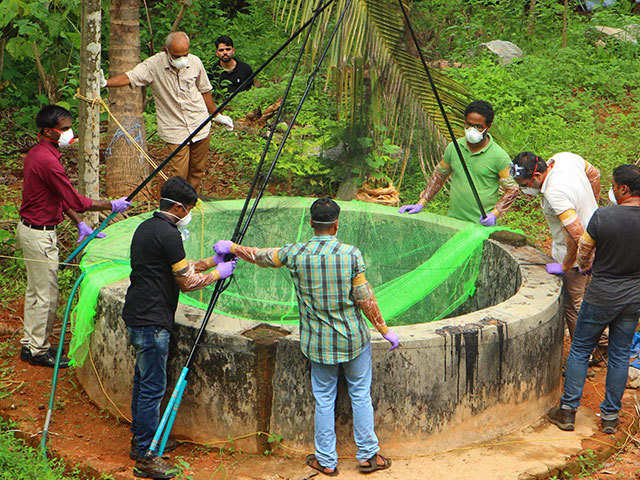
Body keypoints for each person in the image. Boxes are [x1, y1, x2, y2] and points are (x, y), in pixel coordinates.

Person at [214, 198, 399, 476]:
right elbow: (364, 297)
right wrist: (385, 330)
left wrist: (233, 248)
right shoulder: (351, 254)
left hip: (318, 343)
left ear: (311, 223)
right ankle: (368, 457)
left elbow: (262, 256)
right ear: (336, 225)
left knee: (324, 399)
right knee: (360, 394)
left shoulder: (296, 253)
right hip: (353, 339)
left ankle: (326, 461)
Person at [122, 177, 236, 479]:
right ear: (178, 206)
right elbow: (186, 283)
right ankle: (147, 455)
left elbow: (176, 268)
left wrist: (211, 261)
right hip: (153, 320)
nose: (188, 214)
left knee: (143, 379)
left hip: (136, 313)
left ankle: (141, 440)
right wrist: (217, 274)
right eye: (188, 209)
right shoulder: (169, 234)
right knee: (153, 387)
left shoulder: (147, 228)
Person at [17, 105, 131, 368]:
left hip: (32, 230)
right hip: (39, 235)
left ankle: (30, 343)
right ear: (47, 131)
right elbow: (75, 200)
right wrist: (110, 205)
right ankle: (37, 351)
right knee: (46, 294)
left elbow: (57, 196)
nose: (70, 133)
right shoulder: (46, 160)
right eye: (65, 129)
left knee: (36, 291)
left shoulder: (41, 154)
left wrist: (80, 224)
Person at [547, 164, 640, 435]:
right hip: (633, 297)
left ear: (623, 189)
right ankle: (610, 417)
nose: (610, 190)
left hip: (601, 294)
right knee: (620, 353)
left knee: (580, 348)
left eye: (613, 185)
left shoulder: (603, 217)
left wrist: (586, 266)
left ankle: (567, 411)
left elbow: (584, 251)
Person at [103, 31, 234, 191]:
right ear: (166, 51)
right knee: (179, 173)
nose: (182, 60)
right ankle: (175, 204)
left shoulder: (195, 62)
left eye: (185, 54)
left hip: (199, 123)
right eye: (177, 56)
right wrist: (105, 83)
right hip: (174, 129)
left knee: (198, 170)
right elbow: (130, 77)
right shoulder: (153, 65)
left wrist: (217, 115)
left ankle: (189, 202)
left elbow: (205, 90)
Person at [510, 152, 600, 338]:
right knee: (591, 299)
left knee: (575, 304)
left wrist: (571, 265)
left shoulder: (554, 192)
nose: (525, 190)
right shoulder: (563, 158)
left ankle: (589, 351)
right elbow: (595, 174)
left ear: (536, 176)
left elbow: (576, 235)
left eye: (525, 185)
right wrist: (593, 208)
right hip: (595, 238)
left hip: (578, 256)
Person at [399, 100, 519, 226]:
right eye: (469, 125)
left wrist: (495, 213)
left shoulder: (499, 156)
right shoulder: (454, 148)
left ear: (488, 127)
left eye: (478, 127)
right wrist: (421, 203)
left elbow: (512, 189)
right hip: (454, 221)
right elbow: (439, 176)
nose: (472, 130)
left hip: (481, 225)